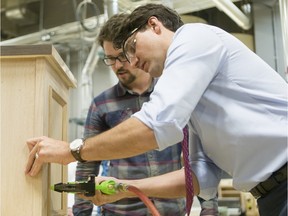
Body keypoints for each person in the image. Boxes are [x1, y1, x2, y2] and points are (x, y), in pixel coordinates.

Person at [25, 3, 287, 216]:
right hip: (272, 196)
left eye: (131, 47)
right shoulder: (192, 100)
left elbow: (156, 125)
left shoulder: (195, 37)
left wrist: (73, 151)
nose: (133, 61)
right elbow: (200, 176)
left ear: (154, 25)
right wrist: (126, 188)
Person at [72, 13, 186, 216]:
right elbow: (86, 167)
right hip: (121, 211)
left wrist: (208, 210)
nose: (116, 66)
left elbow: (196, 159)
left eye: (121, 57)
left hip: (170, 209)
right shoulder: (102, 104)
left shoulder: (172, 95)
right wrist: (81, 213)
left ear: (135, 49)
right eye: (110, 59)